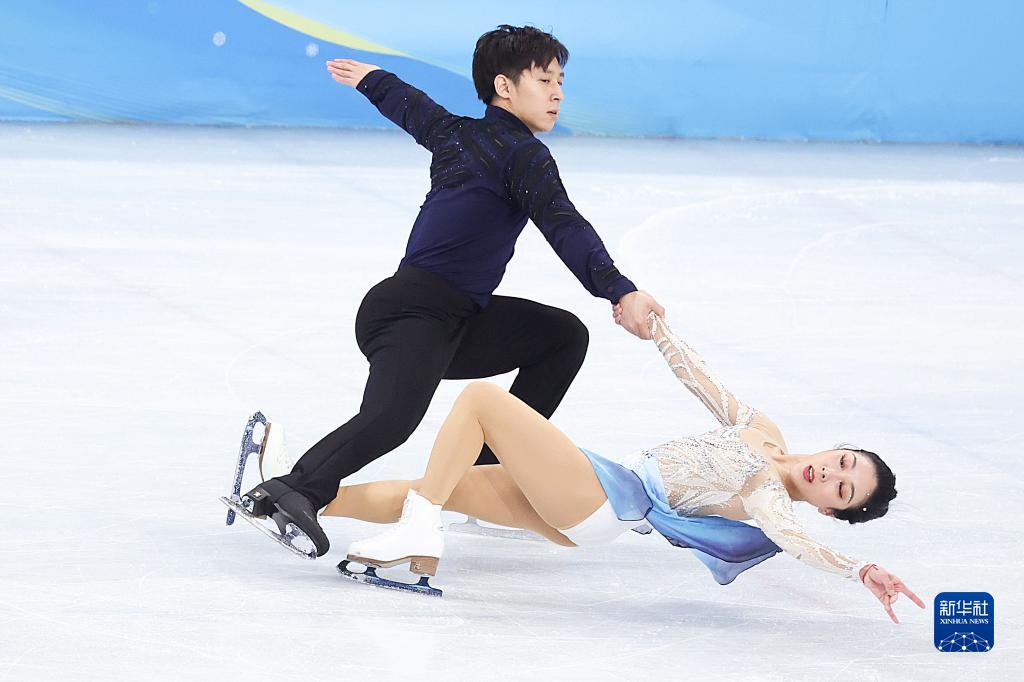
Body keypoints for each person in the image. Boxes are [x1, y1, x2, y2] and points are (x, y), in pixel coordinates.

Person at [238, 25, 664, 557]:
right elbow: (564, 225)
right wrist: (620, 291)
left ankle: (483, 480)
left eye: (561, 81)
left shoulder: (455, 133)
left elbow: (412, 107)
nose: (557, 93)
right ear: (504, 87)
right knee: (391, 420)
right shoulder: (523, 155)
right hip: (412, 312)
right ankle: (294, 489)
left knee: (562, 336)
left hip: (460, 318)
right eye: (544, 80)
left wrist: (374, 78)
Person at [321, 313, 924, 622]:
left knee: (481, 400)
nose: (831, 476)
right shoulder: (764, 432)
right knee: (438, 488)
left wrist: (859, 568)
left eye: (842, 492)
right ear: (837, 448)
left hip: (605, 499)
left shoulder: (766, 494)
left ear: (829, 511)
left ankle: (419, 534)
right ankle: (306, 498)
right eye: (844, 463)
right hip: (597, 498)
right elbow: (701, 379)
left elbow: (794, 543)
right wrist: (657, 328)